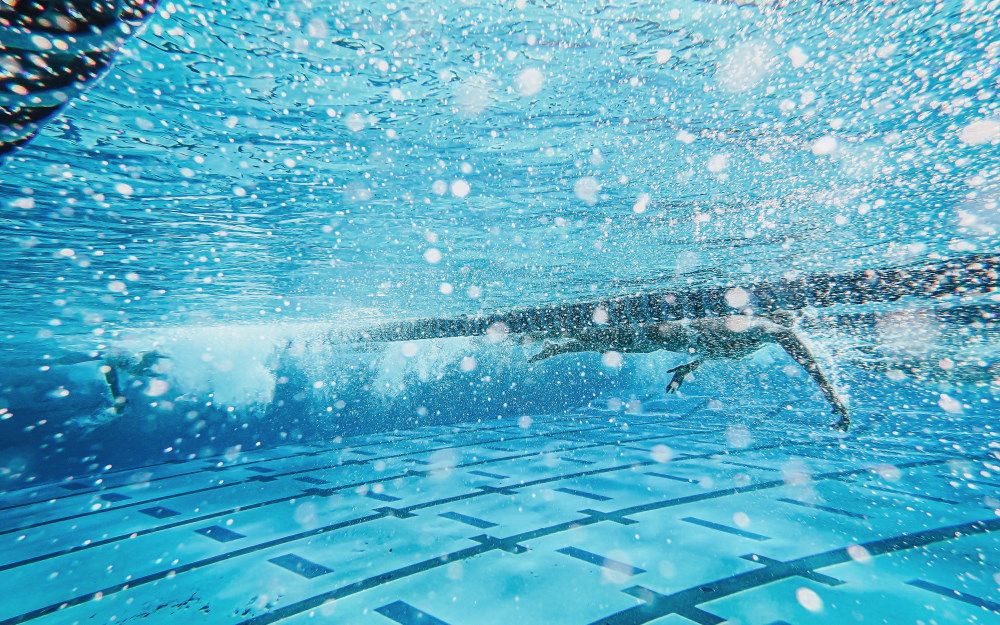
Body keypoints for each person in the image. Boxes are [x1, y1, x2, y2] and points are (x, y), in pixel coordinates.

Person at [528, 315, 850, 430]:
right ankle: (554, 340)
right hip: (665, 333)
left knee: (614, 342)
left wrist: (688, 368)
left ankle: (557, 343)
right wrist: (832, 396)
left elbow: (716, 346)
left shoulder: (758, 335)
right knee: (612, 340)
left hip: (667, 338)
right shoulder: (767, 329)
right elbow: (808, 363)